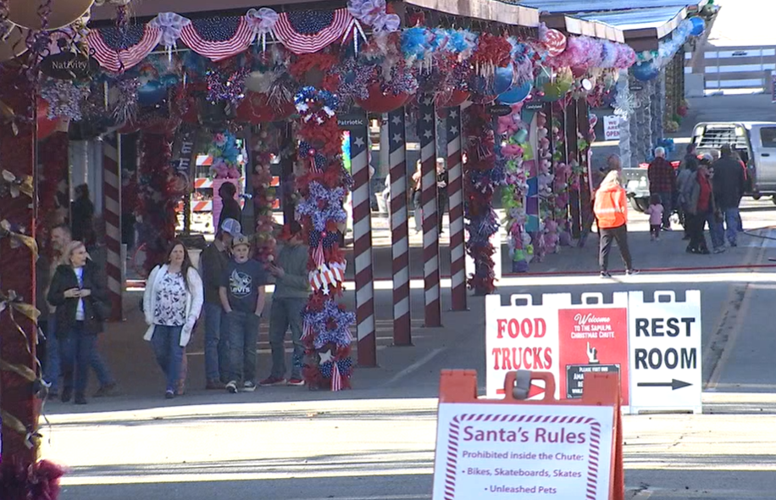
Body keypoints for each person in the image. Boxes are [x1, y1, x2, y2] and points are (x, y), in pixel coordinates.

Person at [47, 241, 110, 405]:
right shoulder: (62, 272)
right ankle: (68, 385)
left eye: (84, 252)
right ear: (71, 257)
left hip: (88, 321)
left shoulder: (93, 270)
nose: (84, 256)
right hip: (68, 321)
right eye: (80, 253)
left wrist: (90, 292)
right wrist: (65, 294)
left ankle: (80, 393)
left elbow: (104, 293)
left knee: (84, 358)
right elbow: (52, 298)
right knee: (67, 357)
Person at [143, 241, 204, 399]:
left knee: (176, 353)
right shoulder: (158, 272)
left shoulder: (190, 274)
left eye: (181, 252)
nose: (178, 255)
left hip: (180, 322)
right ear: (169, 254)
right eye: (175, 252)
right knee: (160, 352)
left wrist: (192, 318)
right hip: (160, 321)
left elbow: (198, 297)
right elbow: (148, 293)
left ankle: (171, 386)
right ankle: (175, 376)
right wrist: (148, 314)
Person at [260, 222, 310, 387]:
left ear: (298, 236)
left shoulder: (306, 253)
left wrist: (283, 275)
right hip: (279, 297)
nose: (286, 242)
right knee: (275, 337)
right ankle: (277, 373)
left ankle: (298, 373)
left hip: (298, 298)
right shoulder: (282, 250)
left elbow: (307, 282)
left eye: (289, 238)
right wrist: (272, 269)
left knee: (298, 338)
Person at [220, 234, 268, 393]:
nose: (241, 252)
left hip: (251, 313)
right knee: (234, 347)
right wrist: (228, 310)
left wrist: (258, 312)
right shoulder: (228, 267)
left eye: (244, 249)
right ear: (232, 251)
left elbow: (261, 291)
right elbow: (223, 290)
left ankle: (249, 378)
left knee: (250, 348)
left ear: (249, 250)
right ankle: (234, 378)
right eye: (238, 249)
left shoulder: (256, 267)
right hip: (235, 313)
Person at [200, 218, 241, 389]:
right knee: (213, 339)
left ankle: (224, 374)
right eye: (231, 236)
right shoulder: (210, 253)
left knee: (224, 339)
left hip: (224, 301)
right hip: (213, 300)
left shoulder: (226, 253)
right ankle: (213, 377)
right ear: (224, 234)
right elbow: (216, 277)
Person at [593, 170, 637, 278]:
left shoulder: (600, 192)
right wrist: (625, 219)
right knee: (623, 246)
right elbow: (623, 208)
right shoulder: (619, 191)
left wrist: (599, 218)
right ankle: (629, 269)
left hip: (604, 222)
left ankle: (603, 270)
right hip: (618, 222)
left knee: (604, 247)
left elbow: (596, 207)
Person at [711, 144, 746, 247]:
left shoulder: (716, 165)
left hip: (719, 196)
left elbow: (712, 181)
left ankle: (720, 239)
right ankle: (732, 238)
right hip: (733, 195)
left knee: (719, 220)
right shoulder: (737, 165)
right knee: (732, 218)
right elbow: (742, 182)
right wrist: (740, 194)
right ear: (730, 152)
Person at [685, 159, 718, 254]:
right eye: (707, 167)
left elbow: (711, 193)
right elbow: (687, 191)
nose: (708, 169)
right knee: (698, 229)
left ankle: (692, 246)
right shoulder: (695, 177)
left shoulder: (707, 178)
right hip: (697, 206)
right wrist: (690, 204)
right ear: (701, 167)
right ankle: (703, 247)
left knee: (698, 228)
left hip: (707, 207)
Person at [647, 147, 676, 231]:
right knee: (666, 206)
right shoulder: (667, 164)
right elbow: (672, 177)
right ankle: (666, 224)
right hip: (666, 188)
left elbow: (649, 176)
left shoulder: (651, 165)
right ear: (663, 154)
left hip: (654, 188)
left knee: (655, 207)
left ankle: (655, 224)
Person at [436, 158, 448, 234]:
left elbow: (445, 183)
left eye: (441, 163)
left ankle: (440, 229)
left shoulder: (446, 173)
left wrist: (439, 183)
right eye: (438, 163)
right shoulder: (433, 172)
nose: (440, 165)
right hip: (434, 195)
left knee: (441, 212)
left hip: (442, 195)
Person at [411, 160, 422, 234]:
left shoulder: (420, 172)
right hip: (417, 190)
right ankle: (418, 225)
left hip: (420, 190)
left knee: (418, 207)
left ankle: (419, 226)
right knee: (417, 207)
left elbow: (415, 177)